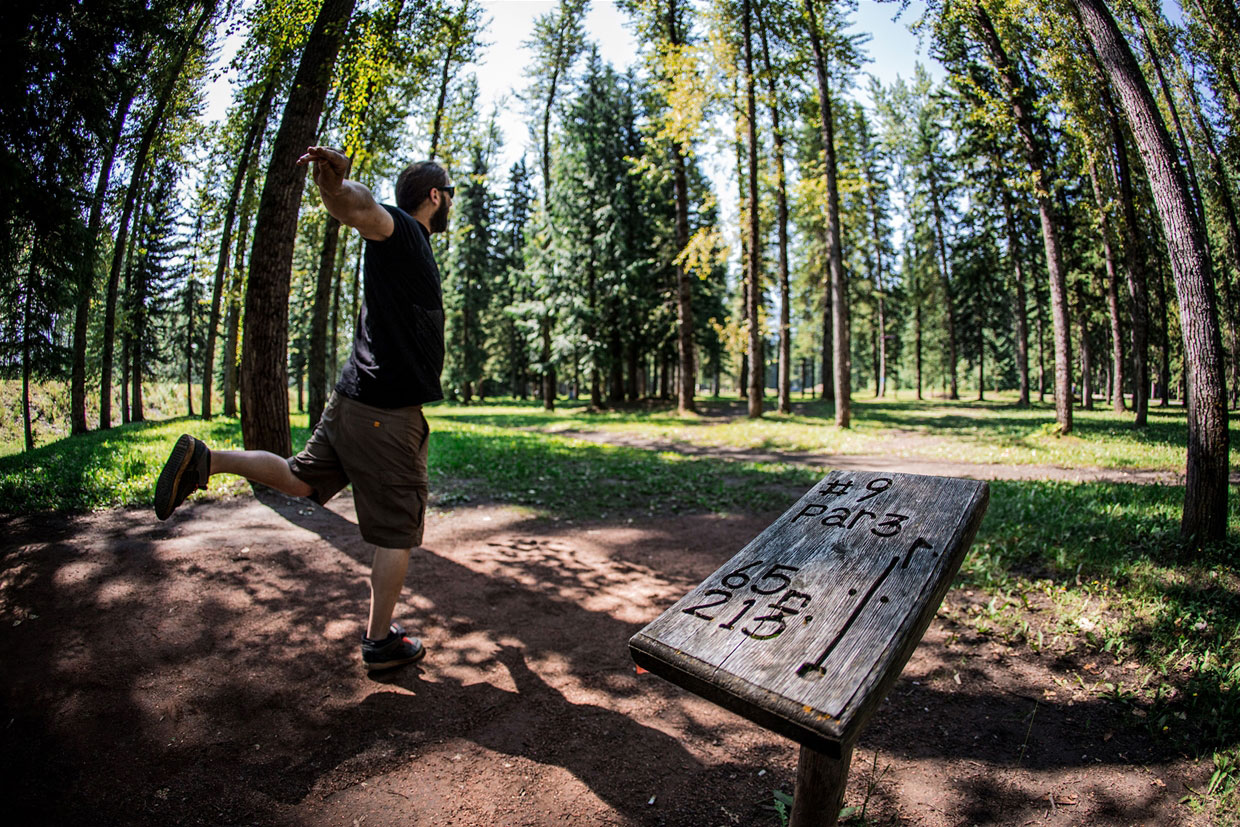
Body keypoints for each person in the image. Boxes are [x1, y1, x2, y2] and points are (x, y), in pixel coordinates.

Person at [153, 146, 454, 672]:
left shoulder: (409, 247)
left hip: (351, 402)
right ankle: (380, 642)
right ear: (435, 196)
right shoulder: (404, 231)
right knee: (398, 530)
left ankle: (206, 459)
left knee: (300, 479)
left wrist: (336, 192)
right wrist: (333, 188)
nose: (451, 200)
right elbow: (362, 209)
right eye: (449, 193)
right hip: (385, 414)